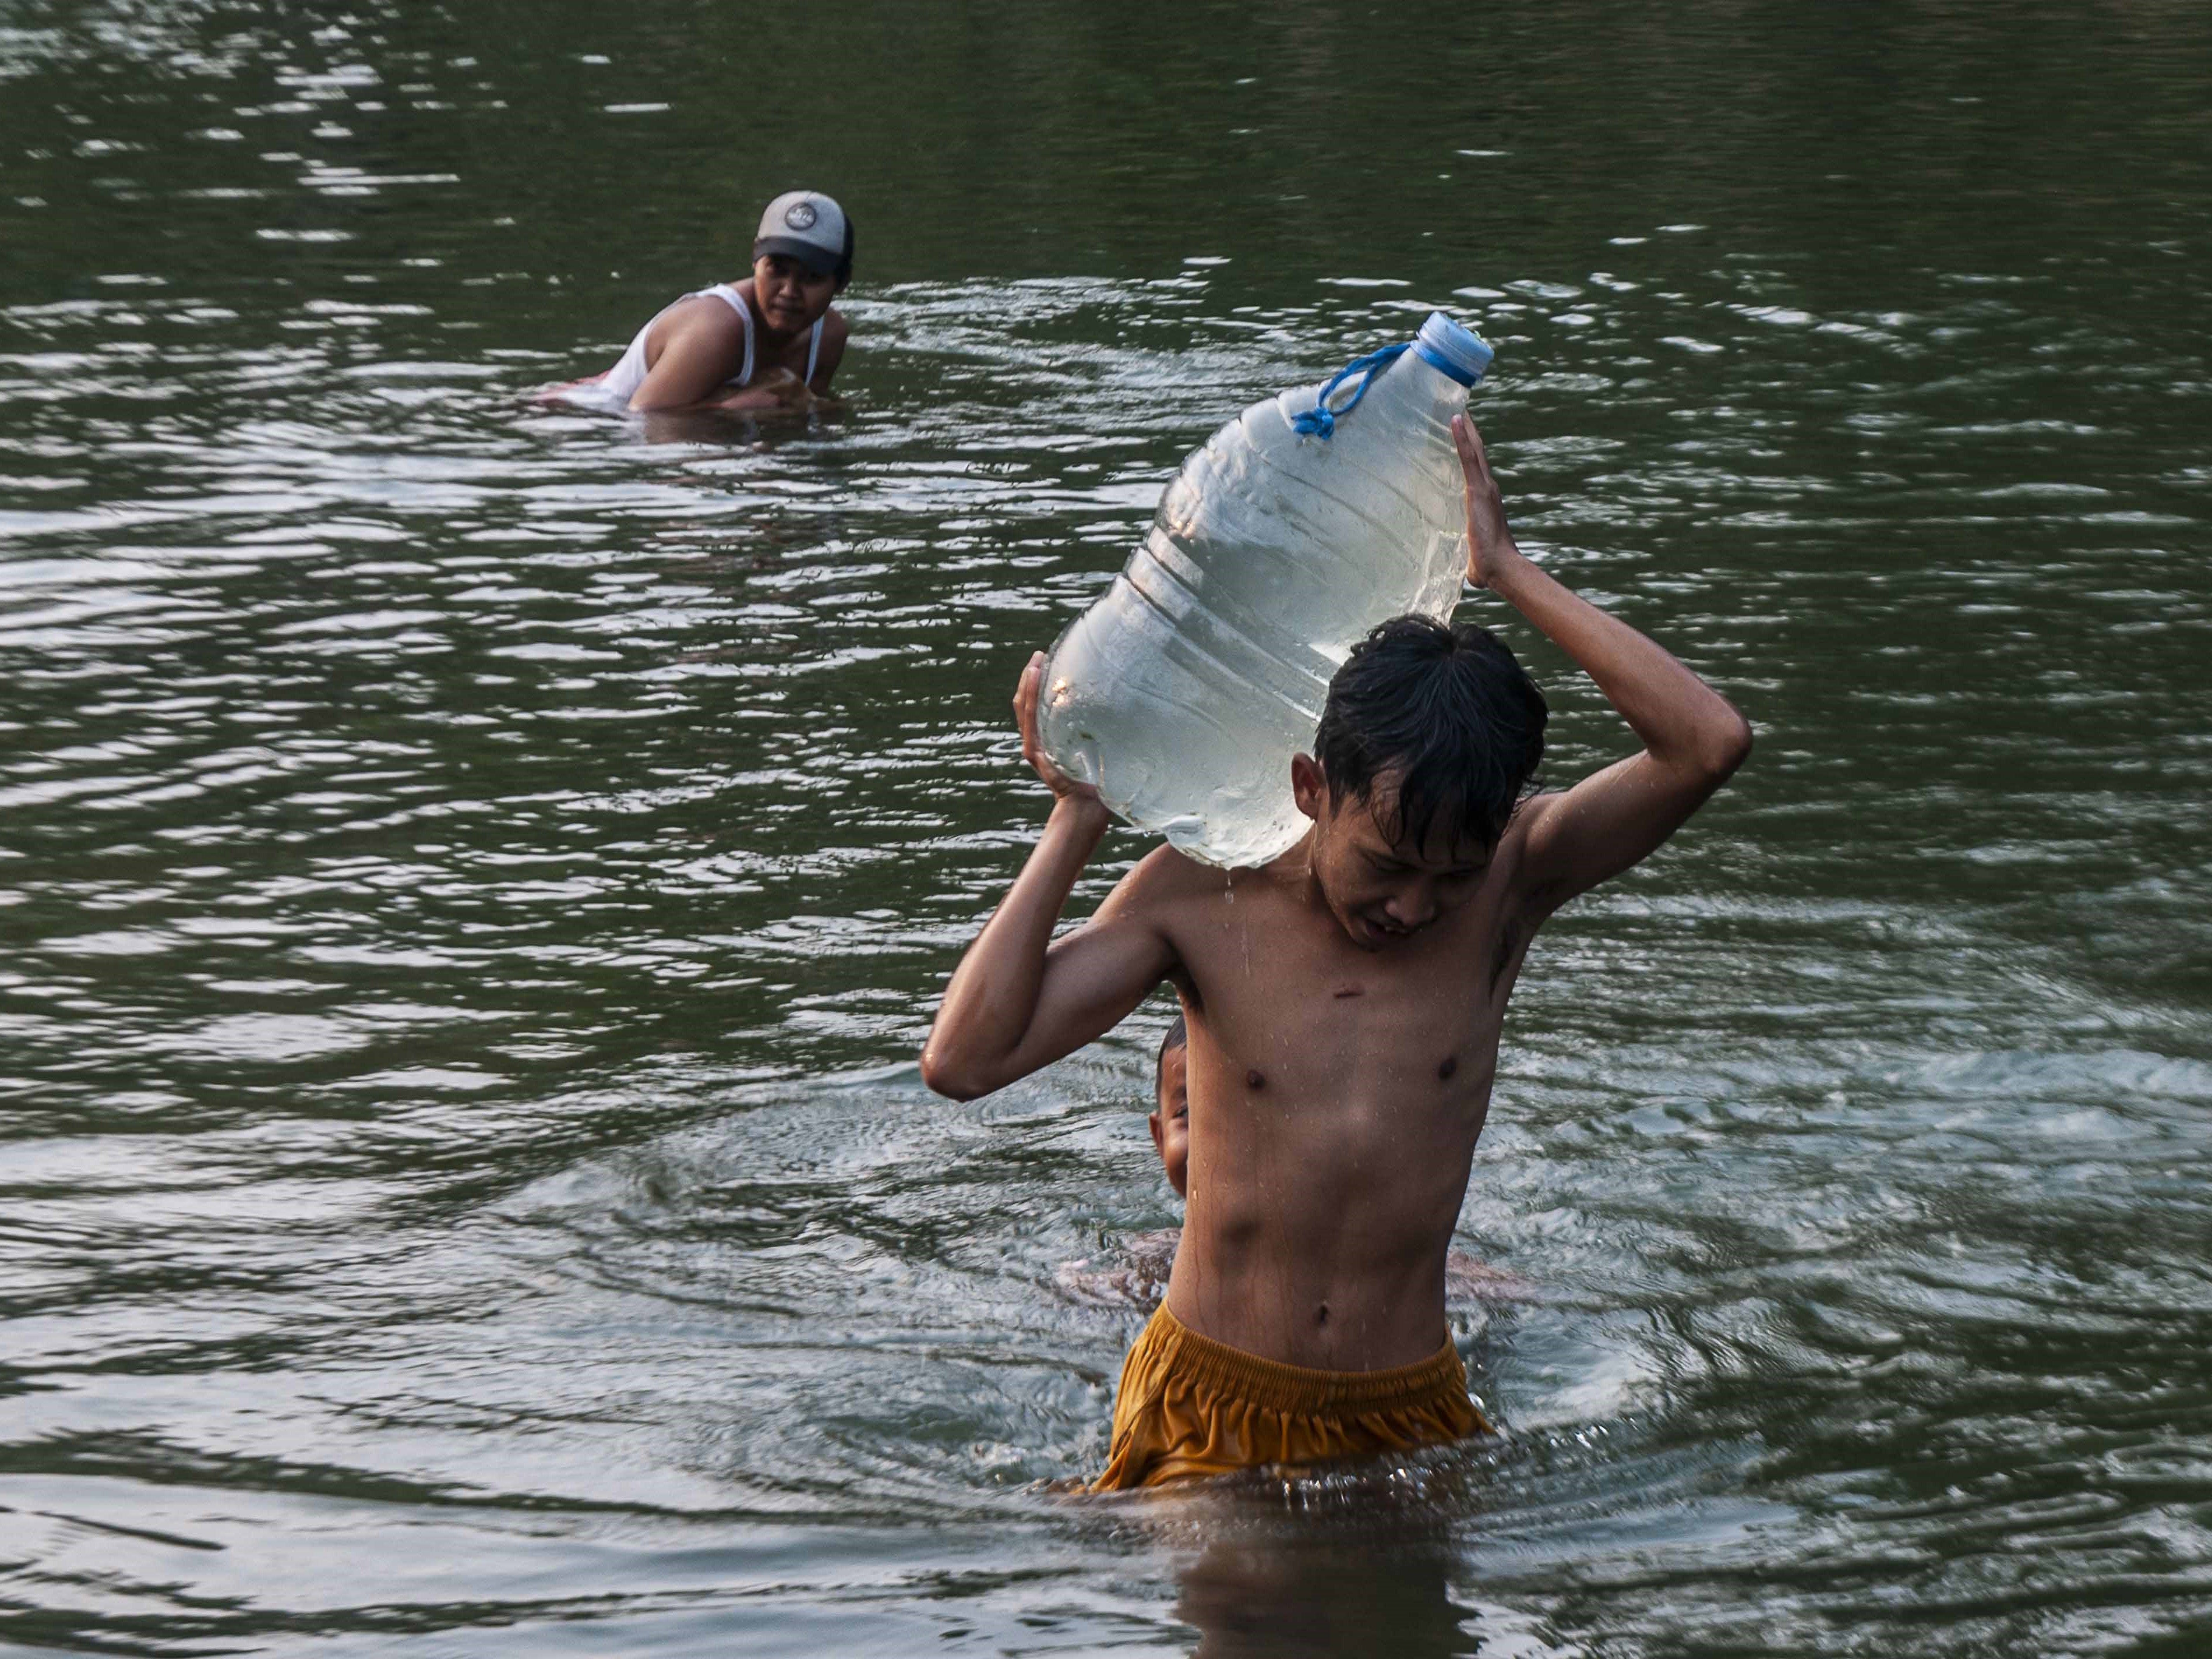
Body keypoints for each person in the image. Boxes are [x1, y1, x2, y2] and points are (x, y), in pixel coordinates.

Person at [922, 413, 1752, 1491]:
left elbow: (1707, 742)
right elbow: (964, 1061)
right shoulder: (1199, 891)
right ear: (1313, 788)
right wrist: (1075, 823)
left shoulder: (1514, 878)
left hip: (1406, 1401)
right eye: (1386, 864)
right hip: (1214, 1390)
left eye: (1448, 875)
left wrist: (1504, 571)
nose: (1414, 908)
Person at [574, 189, 852, 414]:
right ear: (755, 261)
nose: (790, 291)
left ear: (841, 283)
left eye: (812, 278)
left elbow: (804, 417)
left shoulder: (829, 336)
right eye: (777, 269)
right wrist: (737, 407)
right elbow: (641, 420)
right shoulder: (715, 328)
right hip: (586, 418)